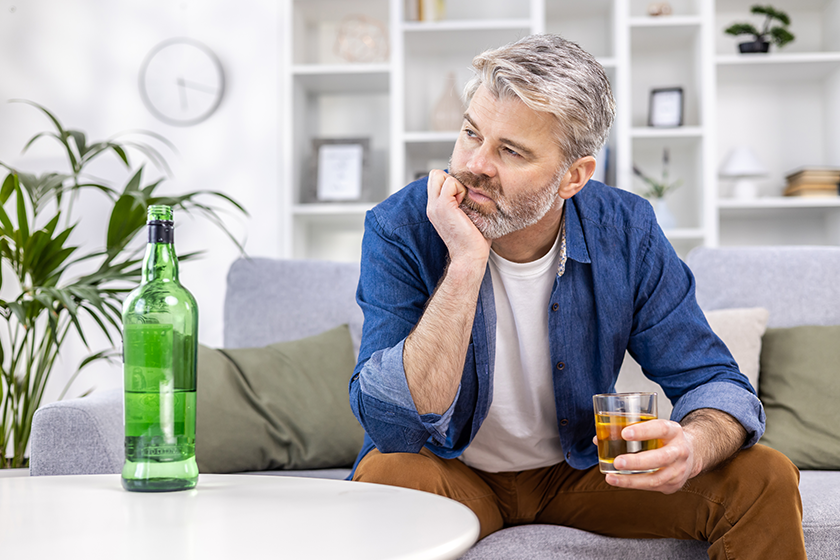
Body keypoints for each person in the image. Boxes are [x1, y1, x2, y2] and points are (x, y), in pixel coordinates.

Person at [347, 34, 805, 559]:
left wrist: (693, 445)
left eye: (510, 151)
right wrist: (466, 264)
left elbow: (713, 380)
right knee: (387, 475)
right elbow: (391, 425)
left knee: (763, 475)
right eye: (471, 133)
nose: (475, 164)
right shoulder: (402, 225)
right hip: (450, 471)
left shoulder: (626, 229)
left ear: (574, 177)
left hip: (581, 473)